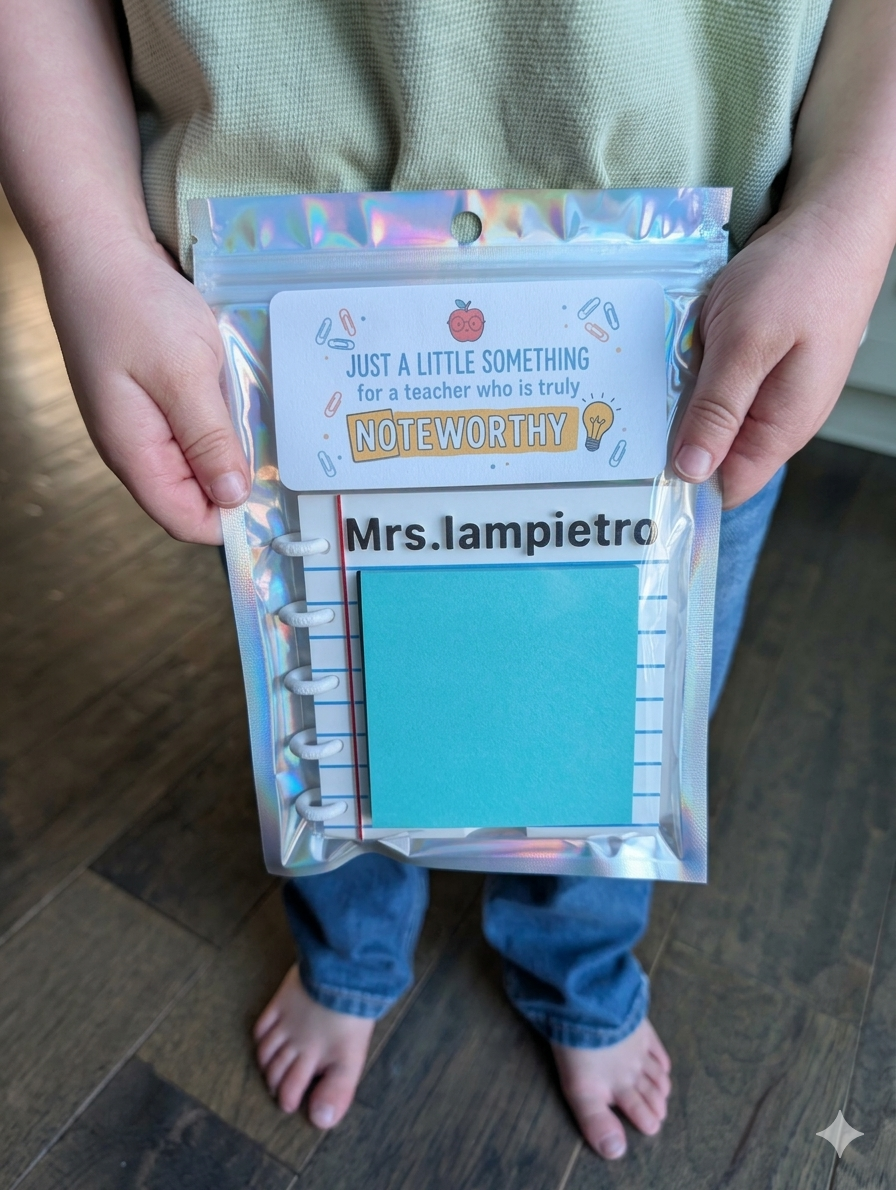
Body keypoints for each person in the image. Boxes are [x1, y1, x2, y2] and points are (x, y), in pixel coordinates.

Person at [1, 0, 893, 1163]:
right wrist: (88, 240)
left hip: (687, 314)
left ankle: (574, 963)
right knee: (339, 707)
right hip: (285, 311)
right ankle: (351, 950)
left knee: (608, 728)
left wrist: (850, 210)